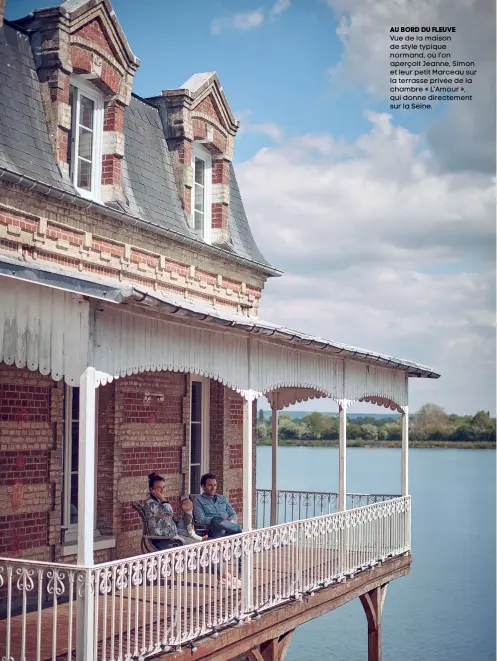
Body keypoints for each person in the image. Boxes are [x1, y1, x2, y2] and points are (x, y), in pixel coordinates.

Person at [145, 473, 204, 550]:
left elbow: (169, 516)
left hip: (173, 538)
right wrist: (162, 498)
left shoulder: (158, 503)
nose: (162, 490)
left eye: (163, 487)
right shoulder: (151, 503)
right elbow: (169, 512)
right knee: (199, 547)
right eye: (159, 488)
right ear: (152, 489)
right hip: (165, 540)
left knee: (201, 545)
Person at [193, 473, 243, 539]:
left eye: (215, 485)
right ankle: (238, 528)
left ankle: (233, 528)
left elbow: (232, 513)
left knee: (223, 523)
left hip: (228, 528)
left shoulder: (222, 498)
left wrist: (231, 521)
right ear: (203, 486)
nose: (213, 488)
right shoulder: (198, 500)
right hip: (214, 530)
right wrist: (221, 520)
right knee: (216, 519)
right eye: (210, 485)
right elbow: (200, 519)